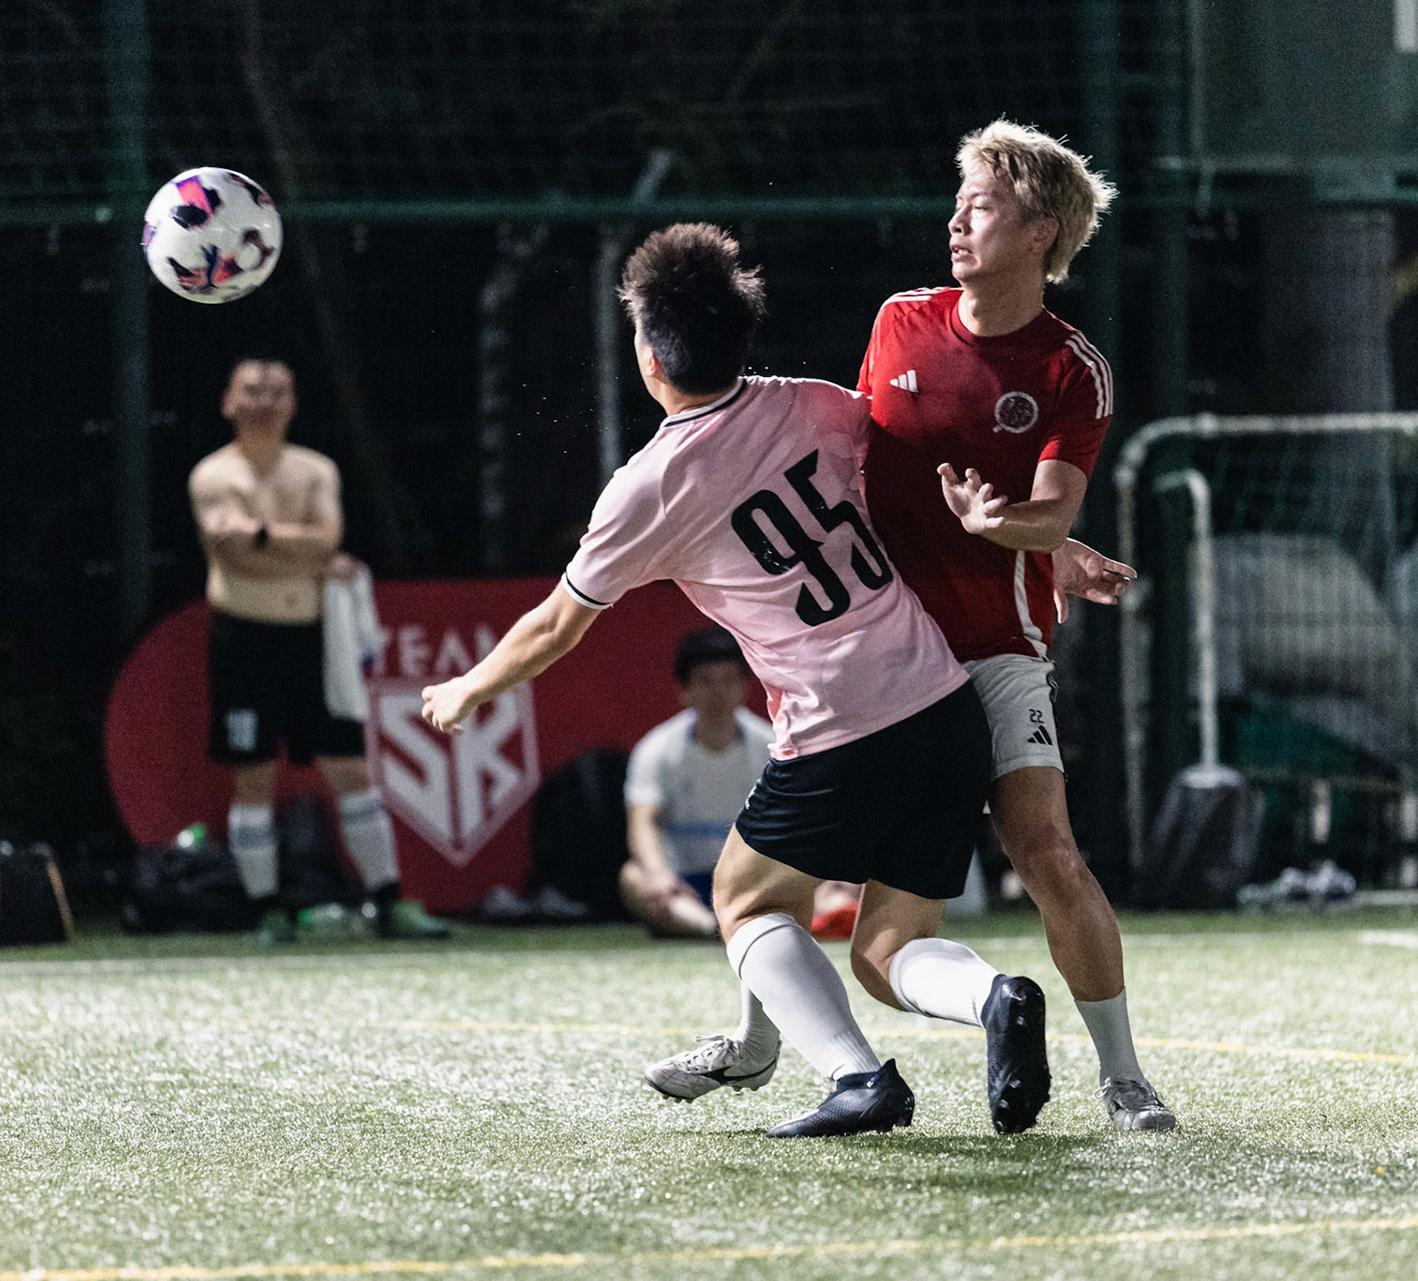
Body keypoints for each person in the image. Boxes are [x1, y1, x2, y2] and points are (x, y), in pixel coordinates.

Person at [423, 224, 1052, 1138]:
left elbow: (559, 622)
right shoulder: (816, 405)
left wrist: (467, 688)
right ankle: (991, 994)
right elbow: (917, 481)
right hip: (942, 701)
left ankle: (856, 1078)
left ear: (649, 357)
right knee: (888, 947)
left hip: (842, 723)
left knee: (743, 898)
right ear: (742, 335)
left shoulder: (651, 486)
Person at [649, 120, 1175, 1132]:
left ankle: (1124, 1080)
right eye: (957, 201)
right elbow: (852, 466)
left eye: (981, 205)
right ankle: (761, 1047)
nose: (956, 221)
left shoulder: (1072, 370)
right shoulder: (901, 322)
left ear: (1043, 232)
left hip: (990, 656)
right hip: (876, 656)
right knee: (787, 878)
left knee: (1045, 852)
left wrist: (1024, 534)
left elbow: (1054, 509)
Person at [188, 356, 448, 945]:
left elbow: (326, 540)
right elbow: (230, 556)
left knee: (350, 768)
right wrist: (296, 546)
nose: (264, 400)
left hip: (314, 638)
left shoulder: (315, 470)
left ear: (294, 403)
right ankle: (267, 911)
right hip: (244, 637)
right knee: (252, 775)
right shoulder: (211, 476)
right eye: (251, 390)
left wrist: (259, 534)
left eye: (278, 390)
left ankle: (389, 900)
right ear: (228, 402)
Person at [620, 627, 772, 939]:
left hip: (749, 885)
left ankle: (742, 924)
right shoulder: (657, 748)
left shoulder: (771, 745)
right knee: (633, 877)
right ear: (684, 689)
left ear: (744, 686)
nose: (718, 692)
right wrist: (658, 874)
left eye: (729, 679)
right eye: (705, 681)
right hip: (682, 884)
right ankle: (710, 928)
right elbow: (641, 821)